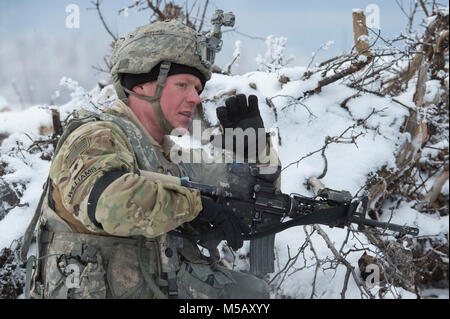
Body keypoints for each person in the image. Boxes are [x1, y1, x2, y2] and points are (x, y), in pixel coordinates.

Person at [22, 19, 275, 299]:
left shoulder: (170, 157)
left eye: (198, 89)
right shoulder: (95, 136)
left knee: (250, 294)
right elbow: (110, 204)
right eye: (183, 85)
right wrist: (195, 207)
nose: (196, 98)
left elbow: (253, 191)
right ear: (142, 85)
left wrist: (256, 150)